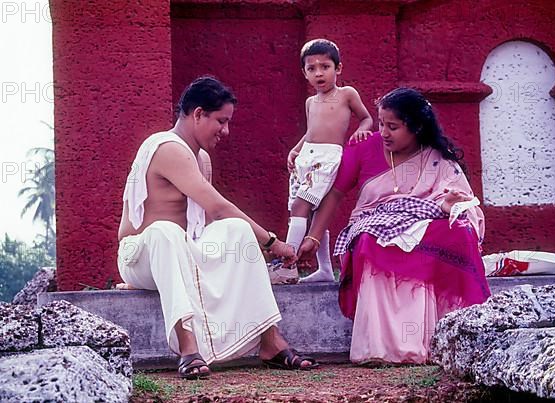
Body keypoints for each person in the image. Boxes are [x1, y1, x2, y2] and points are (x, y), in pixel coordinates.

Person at [117, 76, 318, 379]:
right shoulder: (167, 148)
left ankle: (270, 342)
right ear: (198, 114)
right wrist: (273, 243)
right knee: (165, 231)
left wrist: (251, 257)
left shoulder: (202, 159)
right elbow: (218, 206)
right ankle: (188, 348)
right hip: (141, 256)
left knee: (236, 230)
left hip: (183, 251)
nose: (226, 131)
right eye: (221, 121)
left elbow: (212, 223)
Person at [296, 87, 491, 365]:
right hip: (374, 221)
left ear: (417, 127)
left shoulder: (436, 156)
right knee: (370, 238)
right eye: (380, 124)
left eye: (393, 127)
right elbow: (335, 193)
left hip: (425, 221)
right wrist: (313, 238)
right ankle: (381, 348)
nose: (384, 133)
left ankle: (443, 341)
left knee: (459, 232)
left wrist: (450, 204)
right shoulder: (364, 147)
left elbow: (463, 203)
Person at [286, 38, 373, 283]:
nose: (318, 73)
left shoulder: (346, 94)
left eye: (325, 66)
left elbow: (366, 118)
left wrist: (362, 130)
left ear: (339, 68)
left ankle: (287, 264)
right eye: (311, 69)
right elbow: (311, 132)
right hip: (306, 158)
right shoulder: (310, 102)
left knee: (299, 208)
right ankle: (324, 269)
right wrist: (295, 149)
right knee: (311, 214)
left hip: (327, 159)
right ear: (304, 73)